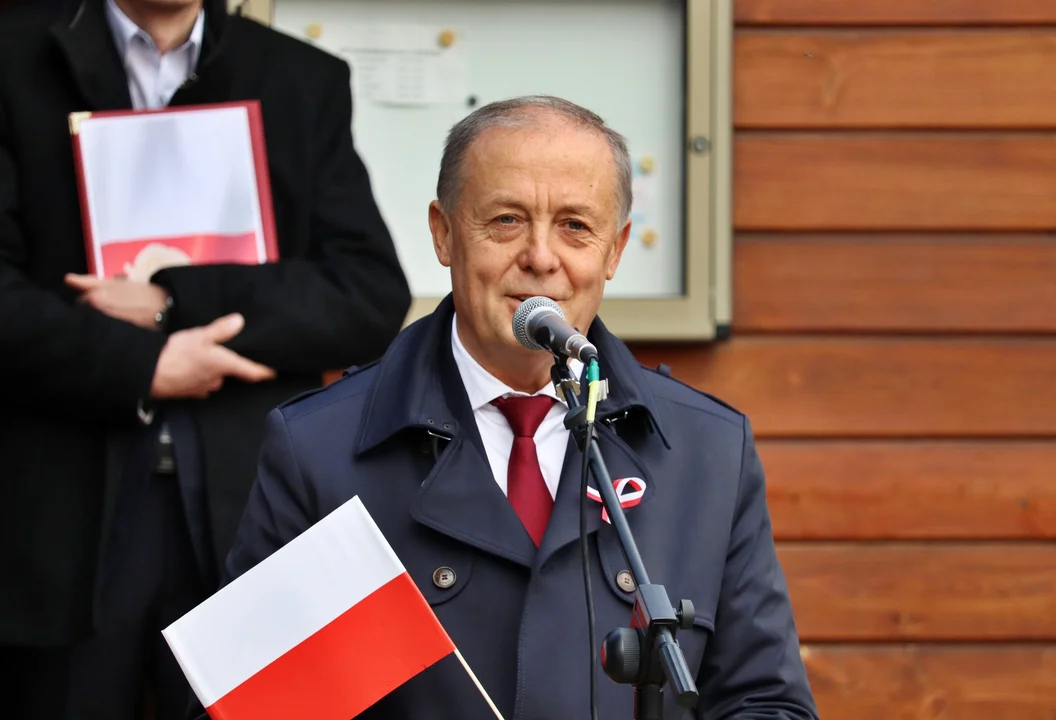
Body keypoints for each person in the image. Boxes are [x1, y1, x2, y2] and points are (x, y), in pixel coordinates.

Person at [209, 95, 818, 719]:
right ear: (444, 234)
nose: (541, 257)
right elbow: (247, 708)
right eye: (506, 220)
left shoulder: (706, 450)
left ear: (615, 250)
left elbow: (765, 702)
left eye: (575, 226)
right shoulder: (319, 448)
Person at [0, 1, 411, 718]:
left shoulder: (300, 78)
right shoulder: (15, 63)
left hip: (249, 499)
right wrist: (143, 364)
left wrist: (175, 297)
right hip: (61, 511)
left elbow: (369, 296)